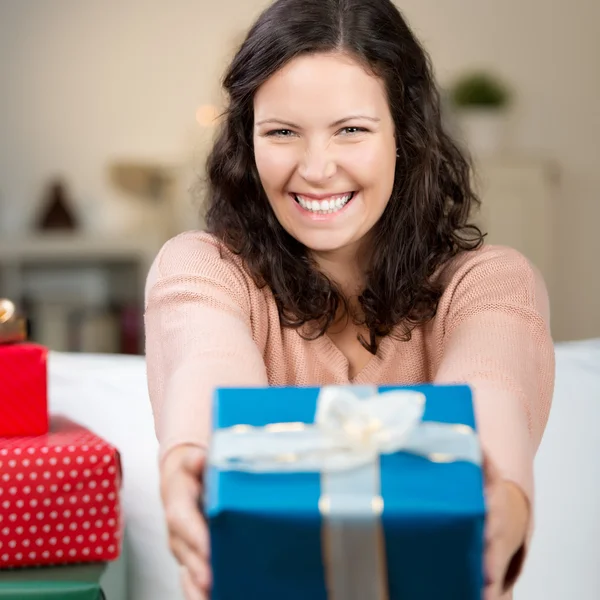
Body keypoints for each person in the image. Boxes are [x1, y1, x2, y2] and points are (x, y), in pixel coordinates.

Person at [144, 0, 555, 598]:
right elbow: (207, 363)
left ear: (404, 135)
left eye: (351, 130)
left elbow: (491, 388)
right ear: (247, 140)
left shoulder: (489, 283)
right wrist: (192, 455)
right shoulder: (204, 268)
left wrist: (505, 495)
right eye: (282, 132)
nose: (316, 169)